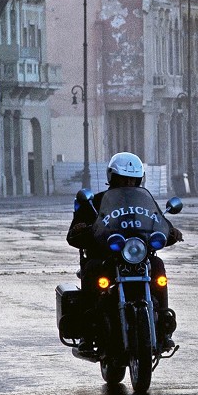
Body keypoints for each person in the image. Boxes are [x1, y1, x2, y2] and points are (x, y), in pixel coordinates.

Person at [66, 153, 182, 357]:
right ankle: (88, 332)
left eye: (132, 179)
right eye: (122, 179)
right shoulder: (97, 201)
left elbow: (158, 221)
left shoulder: (144, 202)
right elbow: (74, 233)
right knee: (93, 269)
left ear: (139, 179)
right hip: (106, 257)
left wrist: (170, 231)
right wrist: (81, 228)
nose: (128, 183)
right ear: (112, 177)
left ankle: (163, 327)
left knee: (157, 267)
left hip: (137, 258)